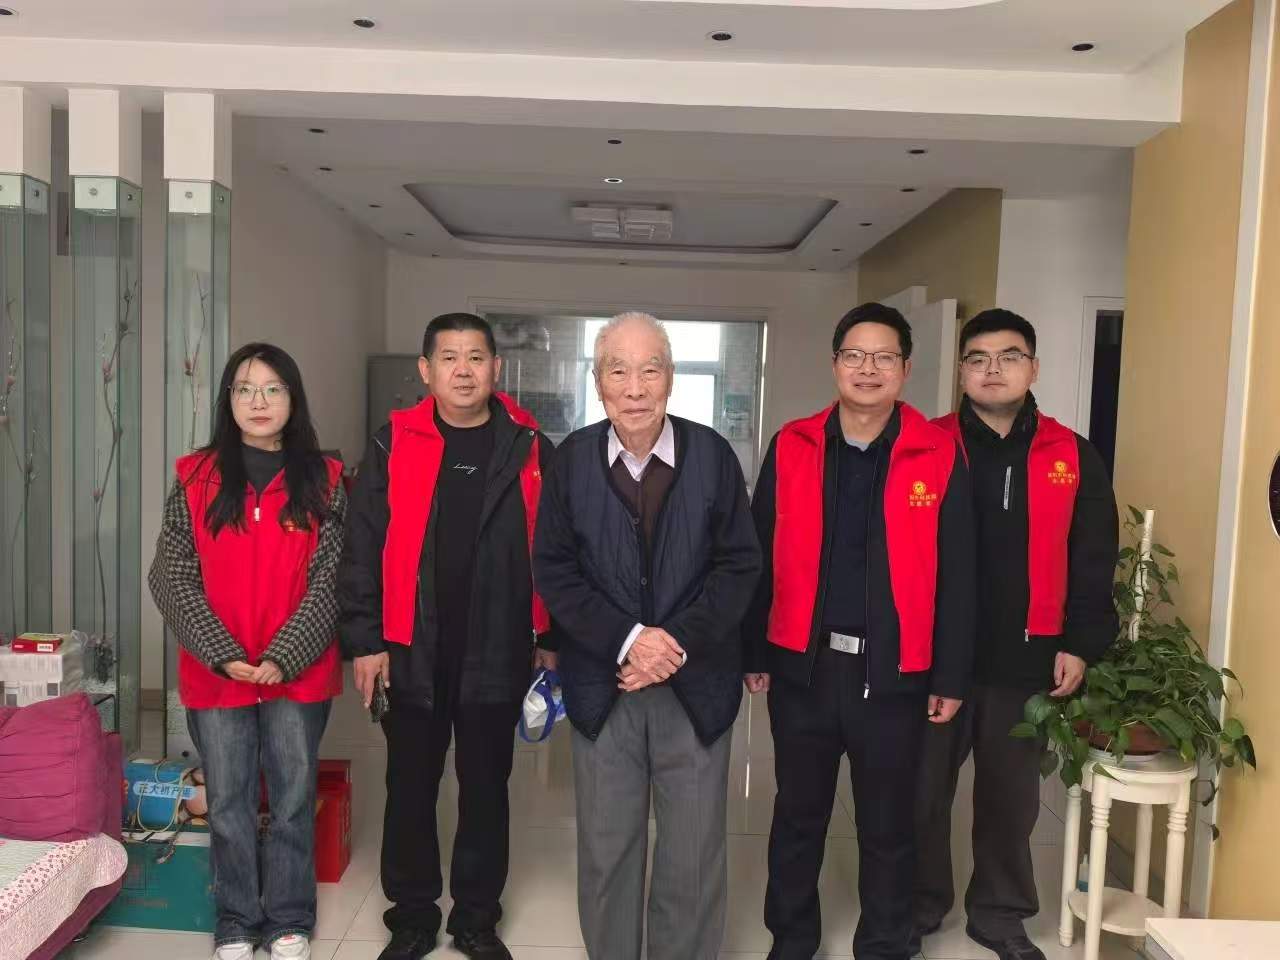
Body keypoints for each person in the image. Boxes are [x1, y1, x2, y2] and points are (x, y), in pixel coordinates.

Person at [744, 302, 976, 960]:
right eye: (854, 355)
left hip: (894, 672)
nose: (867, 368)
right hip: (805, 668)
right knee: (797, 816)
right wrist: (754, 649)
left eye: (883, 357)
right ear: (835, 363)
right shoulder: (793, 444)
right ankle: (792, 939)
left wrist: (950, 674)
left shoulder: (938, 452)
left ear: (905, 368)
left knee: (889, 823)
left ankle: (886, 942)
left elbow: (960, 573)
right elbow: (758, 551)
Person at [533, 311, 761, 960]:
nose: (635, 388)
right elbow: (555, 569)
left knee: (692, 854)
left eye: (650, 370)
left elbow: (739, 565)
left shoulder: (711, 455)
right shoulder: (572, 460)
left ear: (671, 378)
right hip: (603, 685)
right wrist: (631, 639)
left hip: (697, 686)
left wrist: (671, 644)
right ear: (598, 382)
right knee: (607, 849)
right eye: (618, 371)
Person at [338, 313, 557, 960]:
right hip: (410, 647)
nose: (464, 370)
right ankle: (411, 917)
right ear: (426, 370)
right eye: (449, 358)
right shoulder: (392, 443)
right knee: (410, 787)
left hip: (498, 646)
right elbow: (361, 547)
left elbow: (554, 547)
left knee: (486, 789)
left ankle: (476, 920)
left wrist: (550, 634)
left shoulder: (529, 445)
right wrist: (365, 641)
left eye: (476, 357)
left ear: (496, 368)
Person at [912, 309, 1119, 960]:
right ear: (961, 372)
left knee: (1010, 801)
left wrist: (1080, 643)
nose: (992, 369)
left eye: (1008, 356)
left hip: (1027, 659)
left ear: (1033, 367)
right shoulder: (924, 444)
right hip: (933, 659)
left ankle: (999, 914)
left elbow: (1093, 556)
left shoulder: (1071, 453)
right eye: (977, 358)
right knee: (919, 793)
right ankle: (917, 904)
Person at [149, 343, 347, 960]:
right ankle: (235, 920)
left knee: (291, 798)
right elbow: (171, 574)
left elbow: (334, 578)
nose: (258, 402)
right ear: (228, 400)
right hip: (218, 673)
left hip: (297, 672)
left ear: (293, 398)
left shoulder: (327, 479)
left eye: (272, 389)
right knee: (229, 802)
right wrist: (220, 651)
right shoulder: (195, 476)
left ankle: (288, 917)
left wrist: (284, 655)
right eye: (244, 389)